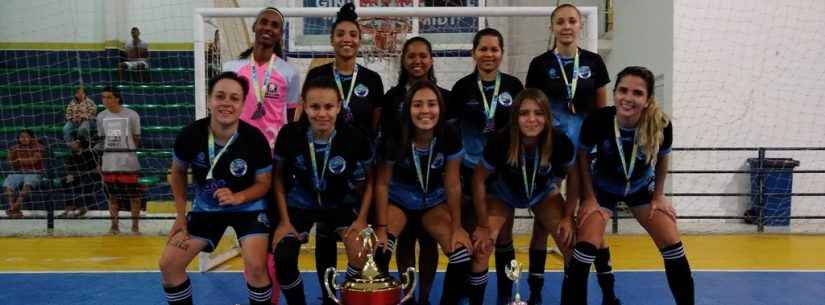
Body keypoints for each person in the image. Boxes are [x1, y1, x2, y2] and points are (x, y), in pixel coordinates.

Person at [571, 66, 693, 305]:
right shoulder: (598, 120)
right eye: (623, 90)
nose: (628, 98)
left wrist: (658, 195)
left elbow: (663, 157)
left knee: (673, 245)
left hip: (640, 190)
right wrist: (588, 198)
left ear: (647, 100)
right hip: (602, 190)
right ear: (614, 92)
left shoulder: (661, 124)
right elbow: (582, 156)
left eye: (637, 93)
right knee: (583, 251)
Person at [524, 4, 615, 304]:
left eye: (572, 21)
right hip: (552, 154)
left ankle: (607, 294)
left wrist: (603, 150)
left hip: (586, 155)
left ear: (579, 25)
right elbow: (532, 110)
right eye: (560, 21)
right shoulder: (539, 64)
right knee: (543, 223)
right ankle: (535, 294)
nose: (566, 26)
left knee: (591, 221)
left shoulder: (594, 62)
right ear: (552, 27)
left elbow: (602, 112)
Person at [159, 71, 274, 305]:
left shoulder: (255, 139)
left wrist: (238, 197)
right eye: (220, 96)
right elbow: (178, 172)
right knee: (169, 264)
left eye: (234, 98)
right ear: (210, 100)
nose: (226, 103)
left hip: (249, 208)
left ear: (242, 105)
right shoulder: (191, 135)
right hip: (207, 209)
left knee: (255, 266)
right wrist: (181, 216)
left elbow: (264, 183)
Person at [304, 5, 384, 304]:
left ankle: (356, 291)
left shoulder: (373, 80)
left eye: (352, 34)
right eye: (340, 34)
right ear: (332, 39)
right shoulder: (318, 74)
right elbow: (304, 121)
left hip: (360, 170)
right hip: (324, 167)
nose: (346, 39)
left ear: (360, 40)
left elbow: (375, 127)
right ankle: (328, 296)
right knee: (325, 232)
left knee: (362, 235)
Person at [271, 76, 375, 305]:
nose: (321, 114)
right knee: (283, 257)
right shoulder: (290, 134)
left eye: (328, 107)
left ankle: (340, 299)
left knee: (360, 253)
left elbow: (371, 180)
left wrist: (362, 219)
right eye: (314, 107)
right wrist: (284, 221)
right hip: (301, 203)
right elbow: (277, 178)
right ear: (304, 106)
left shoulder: (354, 136)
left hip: (340, 203)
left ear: (339, 107)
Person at [470, 89, 578, 305]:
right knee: (481, 248)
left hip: (541, 192)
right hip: (503, 193)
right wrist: (482, 225)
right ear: (515, 117)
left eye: (538, 113)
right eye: (524, 113)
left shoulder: (560, 141)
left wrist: (568, 217)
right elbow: (478, 180)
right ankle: (493, 298)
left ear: (547, 117)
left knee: (570, 243)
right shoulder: (501, 140)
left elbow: (574, 178)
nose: (531, 119)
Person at [374, 80, 474, 305]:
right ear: (408, 109)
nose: (425, 111)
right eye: (418, 105)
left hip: (433, 204)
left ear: (440, 108)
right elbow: (381, 184)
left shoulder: (449, 133)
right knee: (378, 250)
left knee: (461, 254)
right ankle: (401, 299)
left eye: (431, 104)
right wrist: (380, 228)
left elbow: (452, 184)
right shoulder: (395, 135)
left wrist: (457, 228)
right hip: (398, 202)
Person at [449, 27, 524, 305]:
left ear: (501, 53)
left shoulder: (515, 86)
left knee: (503, 236)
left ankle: (507, 296)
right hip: (470, 171)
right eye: (483, 49)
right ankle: (472, 290)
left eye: (494, 49)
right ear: (474, 53)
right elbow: (453, 134)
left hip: (503, 173)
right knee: (474, 234)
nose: (489, 54)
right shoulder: (461, 88)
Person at [380, 36, 448, 305]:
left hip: (433, 187)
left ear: (431, 59)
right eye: (411, 56)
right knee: (405, 240)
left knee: (429, 241)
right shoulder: (392, 98)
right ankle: (407, 295)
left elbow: (448, 141)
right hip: (401, 184)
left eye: (423, 55)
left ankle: (426, 296)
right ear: (403, 60)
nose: (417, 61)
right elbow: (384, 139)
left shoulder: (444, 97)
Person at [224, 7, 301, 150]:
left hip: (272, 150)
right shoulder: (231, 69)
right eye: (263, 22)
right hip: (237, 147)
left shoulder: (290, 73)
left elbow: (289, 117)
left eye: (274, 25)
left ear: (280, 34)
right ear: (254, 27)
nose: (268, 28)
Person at [96, 86, 142, 234]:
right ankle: (114, 226)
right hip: (109, 162)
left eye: (109, 97)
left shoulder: (132, 115)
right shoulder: (101, 116)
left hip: (129, 162)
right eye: (103, 97)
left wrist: (128, 150)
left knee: (134, 197)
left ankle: (135, 227)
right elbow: (102, 139)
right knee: (112, 197)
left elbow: (136, 137)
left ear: (117, 98)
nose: (106, 100)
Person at [3, 129, 44, 219]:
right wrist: (12, 157)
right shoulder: (14, 148)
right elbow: (10, 162)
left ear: (32, 138)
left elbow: (34, 161)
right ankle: (12, 207)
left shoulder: (38, 147)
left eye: (26, 137)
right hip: (18, 172)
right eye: (21, 137)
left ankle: (15, 207)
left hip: (34, 172)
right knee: (7, 185)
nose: (23, 139)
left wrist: (19, 161)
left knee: (27, 184)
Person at [61, 136, 99, 218]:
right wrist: (69, 176)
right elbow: (70, 169)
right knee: (65, 181)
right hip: (77, 176)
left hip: (90, 175)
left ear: (79, 143)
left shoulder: (90, 153)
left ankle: (83, 208)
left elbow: (96, 168)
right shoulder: (72, 155)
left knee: (86, 182)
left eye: (73, 142)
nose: (71, 144)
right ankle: (69, 208)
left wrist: (80, 174)